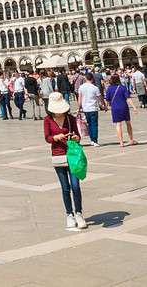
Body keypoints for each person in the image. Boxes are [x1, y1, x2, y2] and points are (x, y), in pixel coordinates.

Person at [44, 92, 86, 231]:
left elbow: (78, 137)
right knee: (65, 188)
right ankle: (69, 214)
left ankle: (79, 213)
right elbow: (47, 137)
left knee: (75, 186)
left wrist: (75, 137)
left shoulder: (70, 119)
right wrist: (56, 137)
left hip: (72, 156)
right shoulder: (47, 120)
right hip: (58, 155)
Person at [104, 74, 136, 147]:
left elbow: (107, 99)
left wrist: (106, 107)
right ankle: (131, 140)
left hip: (115, 108)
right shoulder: (123, 87)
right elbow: (128, 98)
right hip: (124, 107)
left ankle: (121, 142)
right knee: (128, 123)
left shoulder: (109, 88)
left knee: (118, 124)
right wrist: (134, 107)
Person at [76, 72, 101, 146]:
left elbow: (79, 98)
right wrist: (103, 105)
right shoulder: (95, 88)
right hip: (93, 108)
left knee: (89, 124)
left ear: (85, 78)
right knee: (94, 124)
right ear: (92, 79)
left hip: (85, 109)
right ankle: (95, 140)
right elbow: (99, 97)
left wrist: (79, 107)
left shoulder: (81, 87)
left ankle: (92, 140)